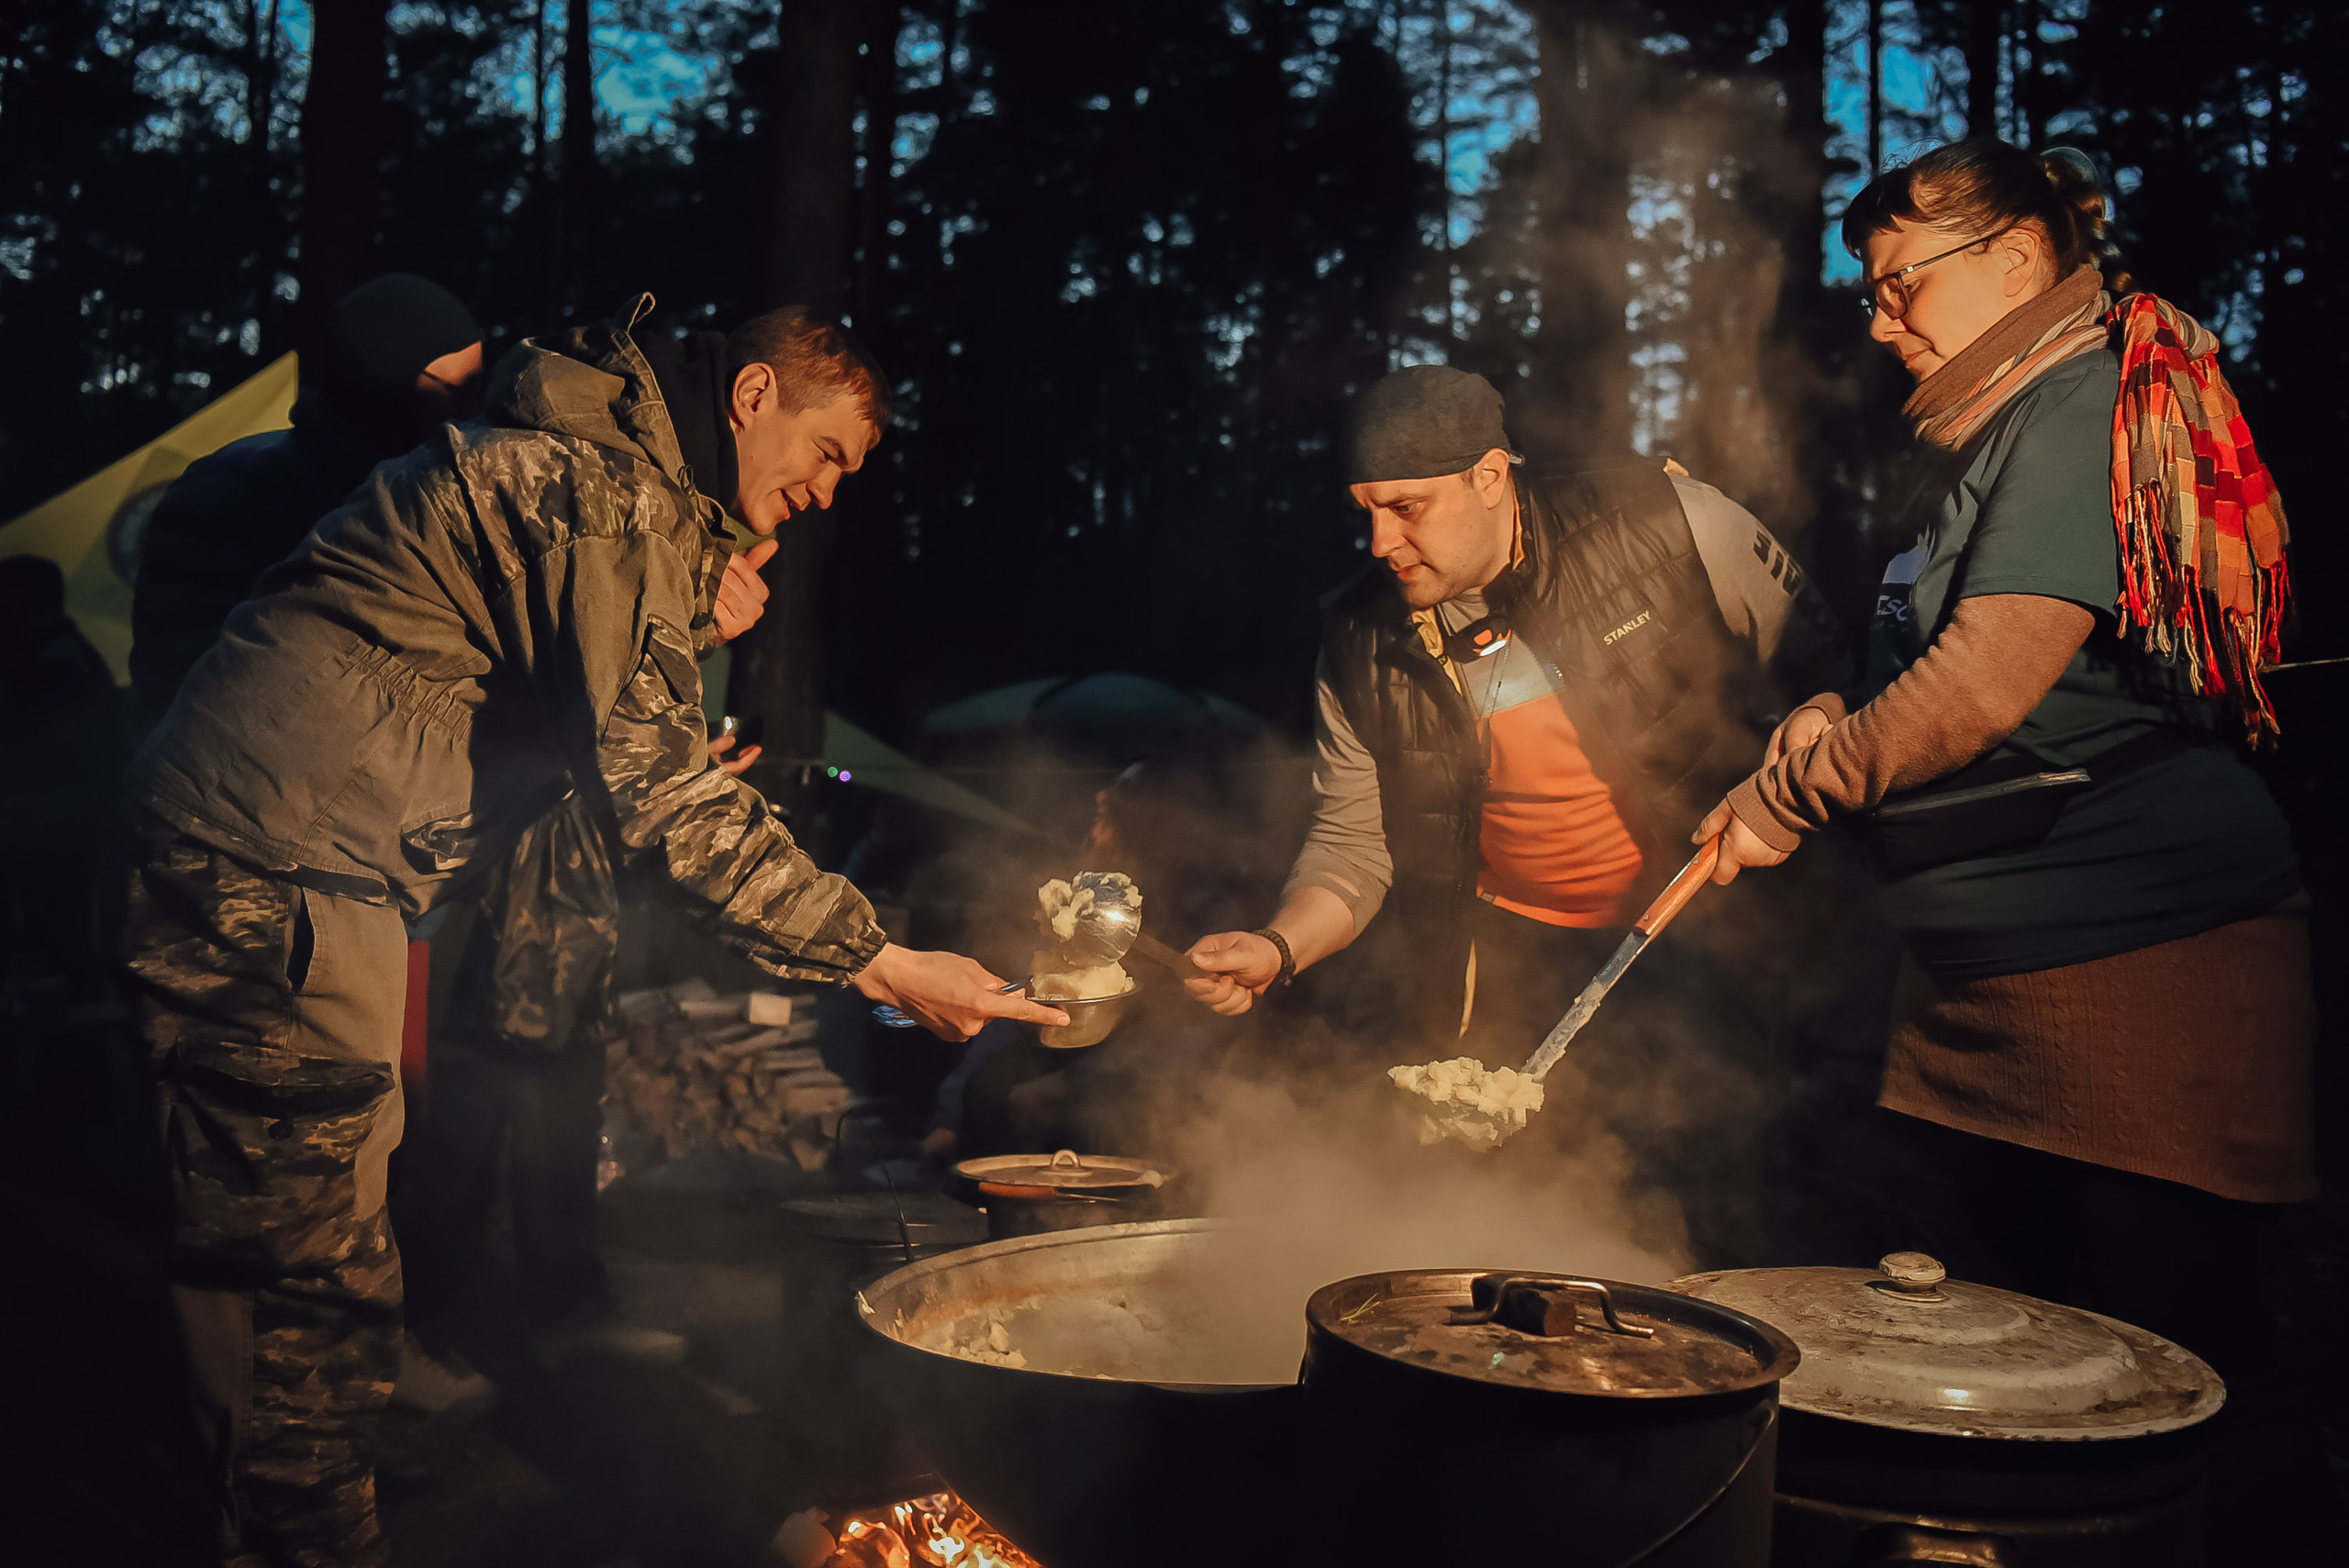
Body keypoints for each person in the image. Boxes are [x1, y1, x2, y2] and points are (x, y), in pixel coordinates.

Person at [120, 293, 1065, 1567]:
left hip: (305, 871)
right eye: (829, 451)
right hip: (266, 874)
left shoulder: (608, 485)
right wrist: (883, 960)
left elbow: (543, 729)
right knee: (299, 1283)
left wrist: (673, 669)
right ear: (753, 397)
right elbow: (652, 789)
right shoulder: (596, 487)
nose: (829, 490)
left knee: (324, 1267)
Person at [1695, 139, 2316, 1557]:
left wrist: (1790, 799)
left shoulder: (2081, 400)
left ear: (2020, 259)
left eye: (1900, 284)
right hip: (1975, 1011)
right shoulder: (1982, 432)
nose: (1879, 320)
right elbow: (1922, 667)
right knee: (1979, 1385)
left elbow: (1981, 686)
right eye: (1870, 293)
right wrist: (1829, 714)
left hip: (2141, 993)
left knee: (2167, 1396)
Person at [1182, 365, 1846, 1059]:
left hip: (1713, 918)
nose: (1379, 543)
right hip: (1516, 955)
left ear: (1490, 476)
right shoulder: (1361, 641)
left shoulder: (1669, 526)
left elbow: (1835, 686)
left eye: (1406, 508)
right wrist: (1279, 946)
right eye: (1365, 512)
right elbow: (1353, 844)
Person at [131, 273, 488, 734]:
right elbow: (191, 698)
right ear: (386, 385)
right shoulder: (231, 496)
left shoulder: (428, 501)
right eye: (462, 389)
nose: (473, 414)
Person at [0, 555, 126, 990]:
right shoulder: (67, 660)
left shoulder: (57, 669)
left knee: (61, 939)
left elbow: (41, 756)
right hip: (67, 826)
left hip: (58, 830)